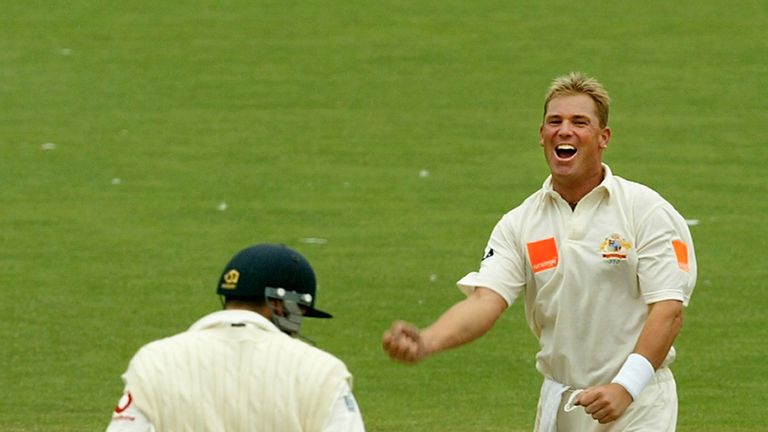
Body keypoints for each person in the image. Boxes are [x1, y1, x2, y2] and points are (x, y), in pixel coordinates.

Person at [382, 72, 696, 431]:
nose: (565, 130)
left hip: (639, 403)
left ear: (603, 137)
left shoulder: (646, 211)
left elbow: (669, 310)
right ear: (542, 135)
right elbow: (485, 301)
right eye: (555, 121)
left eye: (580, 122)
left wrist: (626, 386)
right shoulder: (520, 223)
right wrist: (427, 340)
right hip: (561, 401)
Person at [107, 243, 365, 432]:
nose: (298, 323)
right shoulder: (322, 373)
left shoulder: (154, 363)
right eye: (301, 311)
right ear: (279, 305)